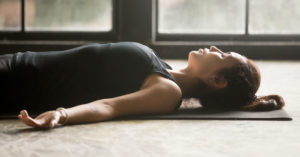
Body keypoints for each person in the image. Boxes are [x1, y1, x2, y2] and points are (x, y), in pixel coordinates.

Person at [0, 42, 285, 129]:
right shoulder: (166, 70)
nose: (213, 47)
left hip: (18, 81)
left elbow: (109, 106)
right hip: (19, 64)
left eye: (222, 55)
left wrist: (62, 114)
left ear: (217, 80)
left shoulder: (168, 91)